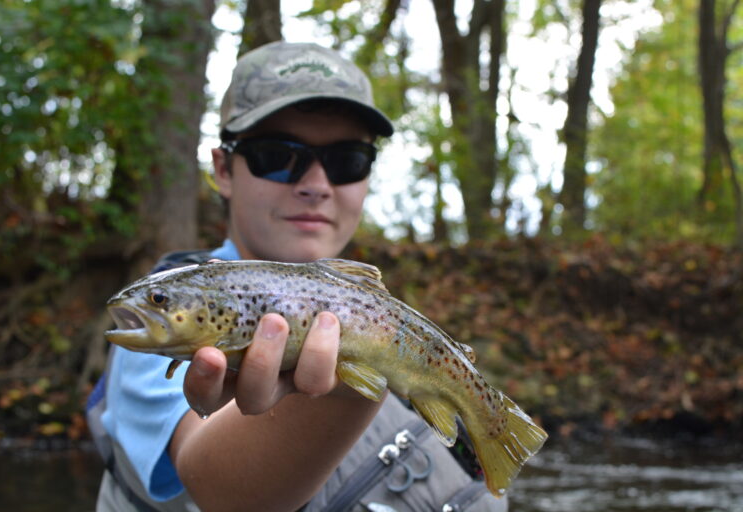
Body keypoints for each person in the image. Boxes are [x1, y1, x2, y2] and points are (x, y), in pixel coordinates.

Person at [89, 40, 507, 511]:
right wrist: (348, 390)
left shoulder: (378, 308)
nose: (315, 184)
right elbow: (224, 493)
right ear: (224, 170)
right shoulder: (168, 305)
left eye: (347, 159)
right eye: (276, 154)